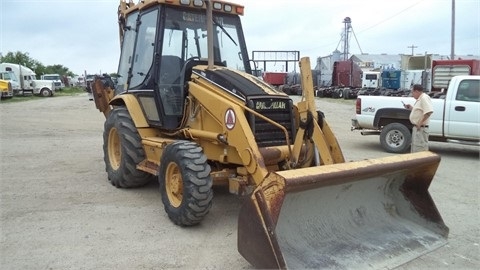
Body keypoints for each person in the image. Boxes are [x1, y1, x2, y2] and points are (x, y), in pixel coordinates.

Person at [404, 84, 433, 152]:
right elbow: (420, 111)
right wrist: (412, 108)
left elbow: (429, 112)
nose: (412, 94)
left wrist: (420, 123)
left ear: (416, 91)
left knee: (419, 149)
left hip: (421, 128)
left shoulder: (424, 98)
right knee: (415, 148)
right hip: (417, 127)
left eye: (412, 92)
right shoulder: (420, 98)